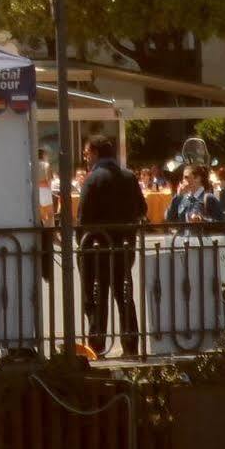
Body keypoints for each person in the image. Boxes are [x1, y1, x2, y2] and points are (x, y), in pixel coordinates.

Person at [77, 135, 146, 356]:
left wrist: (82, 243)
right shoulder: (129, 176)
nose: (86, 158)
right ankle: (131, 346)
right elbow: (142, 208)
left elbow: (83, 218)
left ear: (95, 153)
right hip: (124, 247)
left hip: (97, 248)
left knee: (96, 299)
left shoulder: (93, 179)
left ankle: (97, 347)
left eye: (87, 153)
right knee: (125, 296)